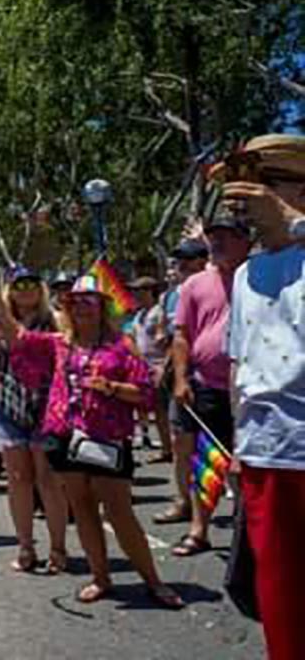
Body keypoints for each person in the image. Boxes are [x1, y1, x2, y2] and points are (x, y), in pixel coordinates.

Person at [0, 275, 183, 608]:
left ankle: (153, 581)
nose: (80, 307)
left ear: (102, 306)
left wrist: (111, 388)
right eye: (74, 301)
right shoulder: (59, 343)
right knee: (82, 509)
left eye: (89, 300)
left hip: (107, 440)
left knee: (119, 512)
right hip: (67, 438)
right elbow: (17, 337)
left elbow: (145, 392)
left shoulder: (121, 345)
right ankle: (100, 578)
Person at [220, 133, 305, 660]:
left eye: (267, 183)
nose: (249, 199)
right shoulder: (246, 273)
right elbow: (241, 365)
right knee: (281, 603)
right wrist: (238, 444)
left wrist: (292, 221)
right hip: (263, 457)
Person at [168, 213, 251, 557]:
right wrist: (180, 378)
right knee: (208, 461)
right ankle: (198, 530)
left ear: (245, 241)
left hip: (252, 390)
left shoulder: (258, 277)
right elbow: (182, 335)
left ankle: (249, 533)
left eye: (227, 236)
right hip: (207, 387)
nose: (218, 242)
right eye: (214, 236)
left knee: (248, 464)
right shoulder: (194, 284)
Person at [0, 266, 69, 574]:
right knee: (18, 477)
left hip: (46, 406)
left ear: (41, 288)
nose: (25, 290)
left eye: (31, 283)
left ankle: (58, 548)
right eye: (18, 284)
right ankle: (25, 546)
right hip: (7, 404)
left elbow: (54, 347)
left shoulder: (56, 319)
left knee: (48, 479)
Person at [151, 238, 212, 525]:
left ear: (203, 260)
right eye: (179, 261)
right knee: (181, 443)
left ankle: (239, 507)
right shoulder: (170, 296)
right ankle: (184, 501)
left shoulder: (222, 284)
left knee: (219, 446)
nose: (181, 266)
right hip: (180, 375)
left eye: (188, 259)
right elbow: (168, 334)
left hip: (212, 378)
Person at [123, 276, 173, 463]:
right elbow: (131, 338)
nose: (135, 294)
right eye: (133, 290)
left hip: (159, 368)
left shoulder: (159, 312)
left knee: (163, 412)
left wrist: (163, 367)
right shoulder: (139, 315)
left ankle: (170, 450)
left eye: (139, 290)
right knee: (153, 411)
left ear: (150, 291)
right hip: (144, 369)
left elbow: (169, 340)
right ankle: (165, 449)